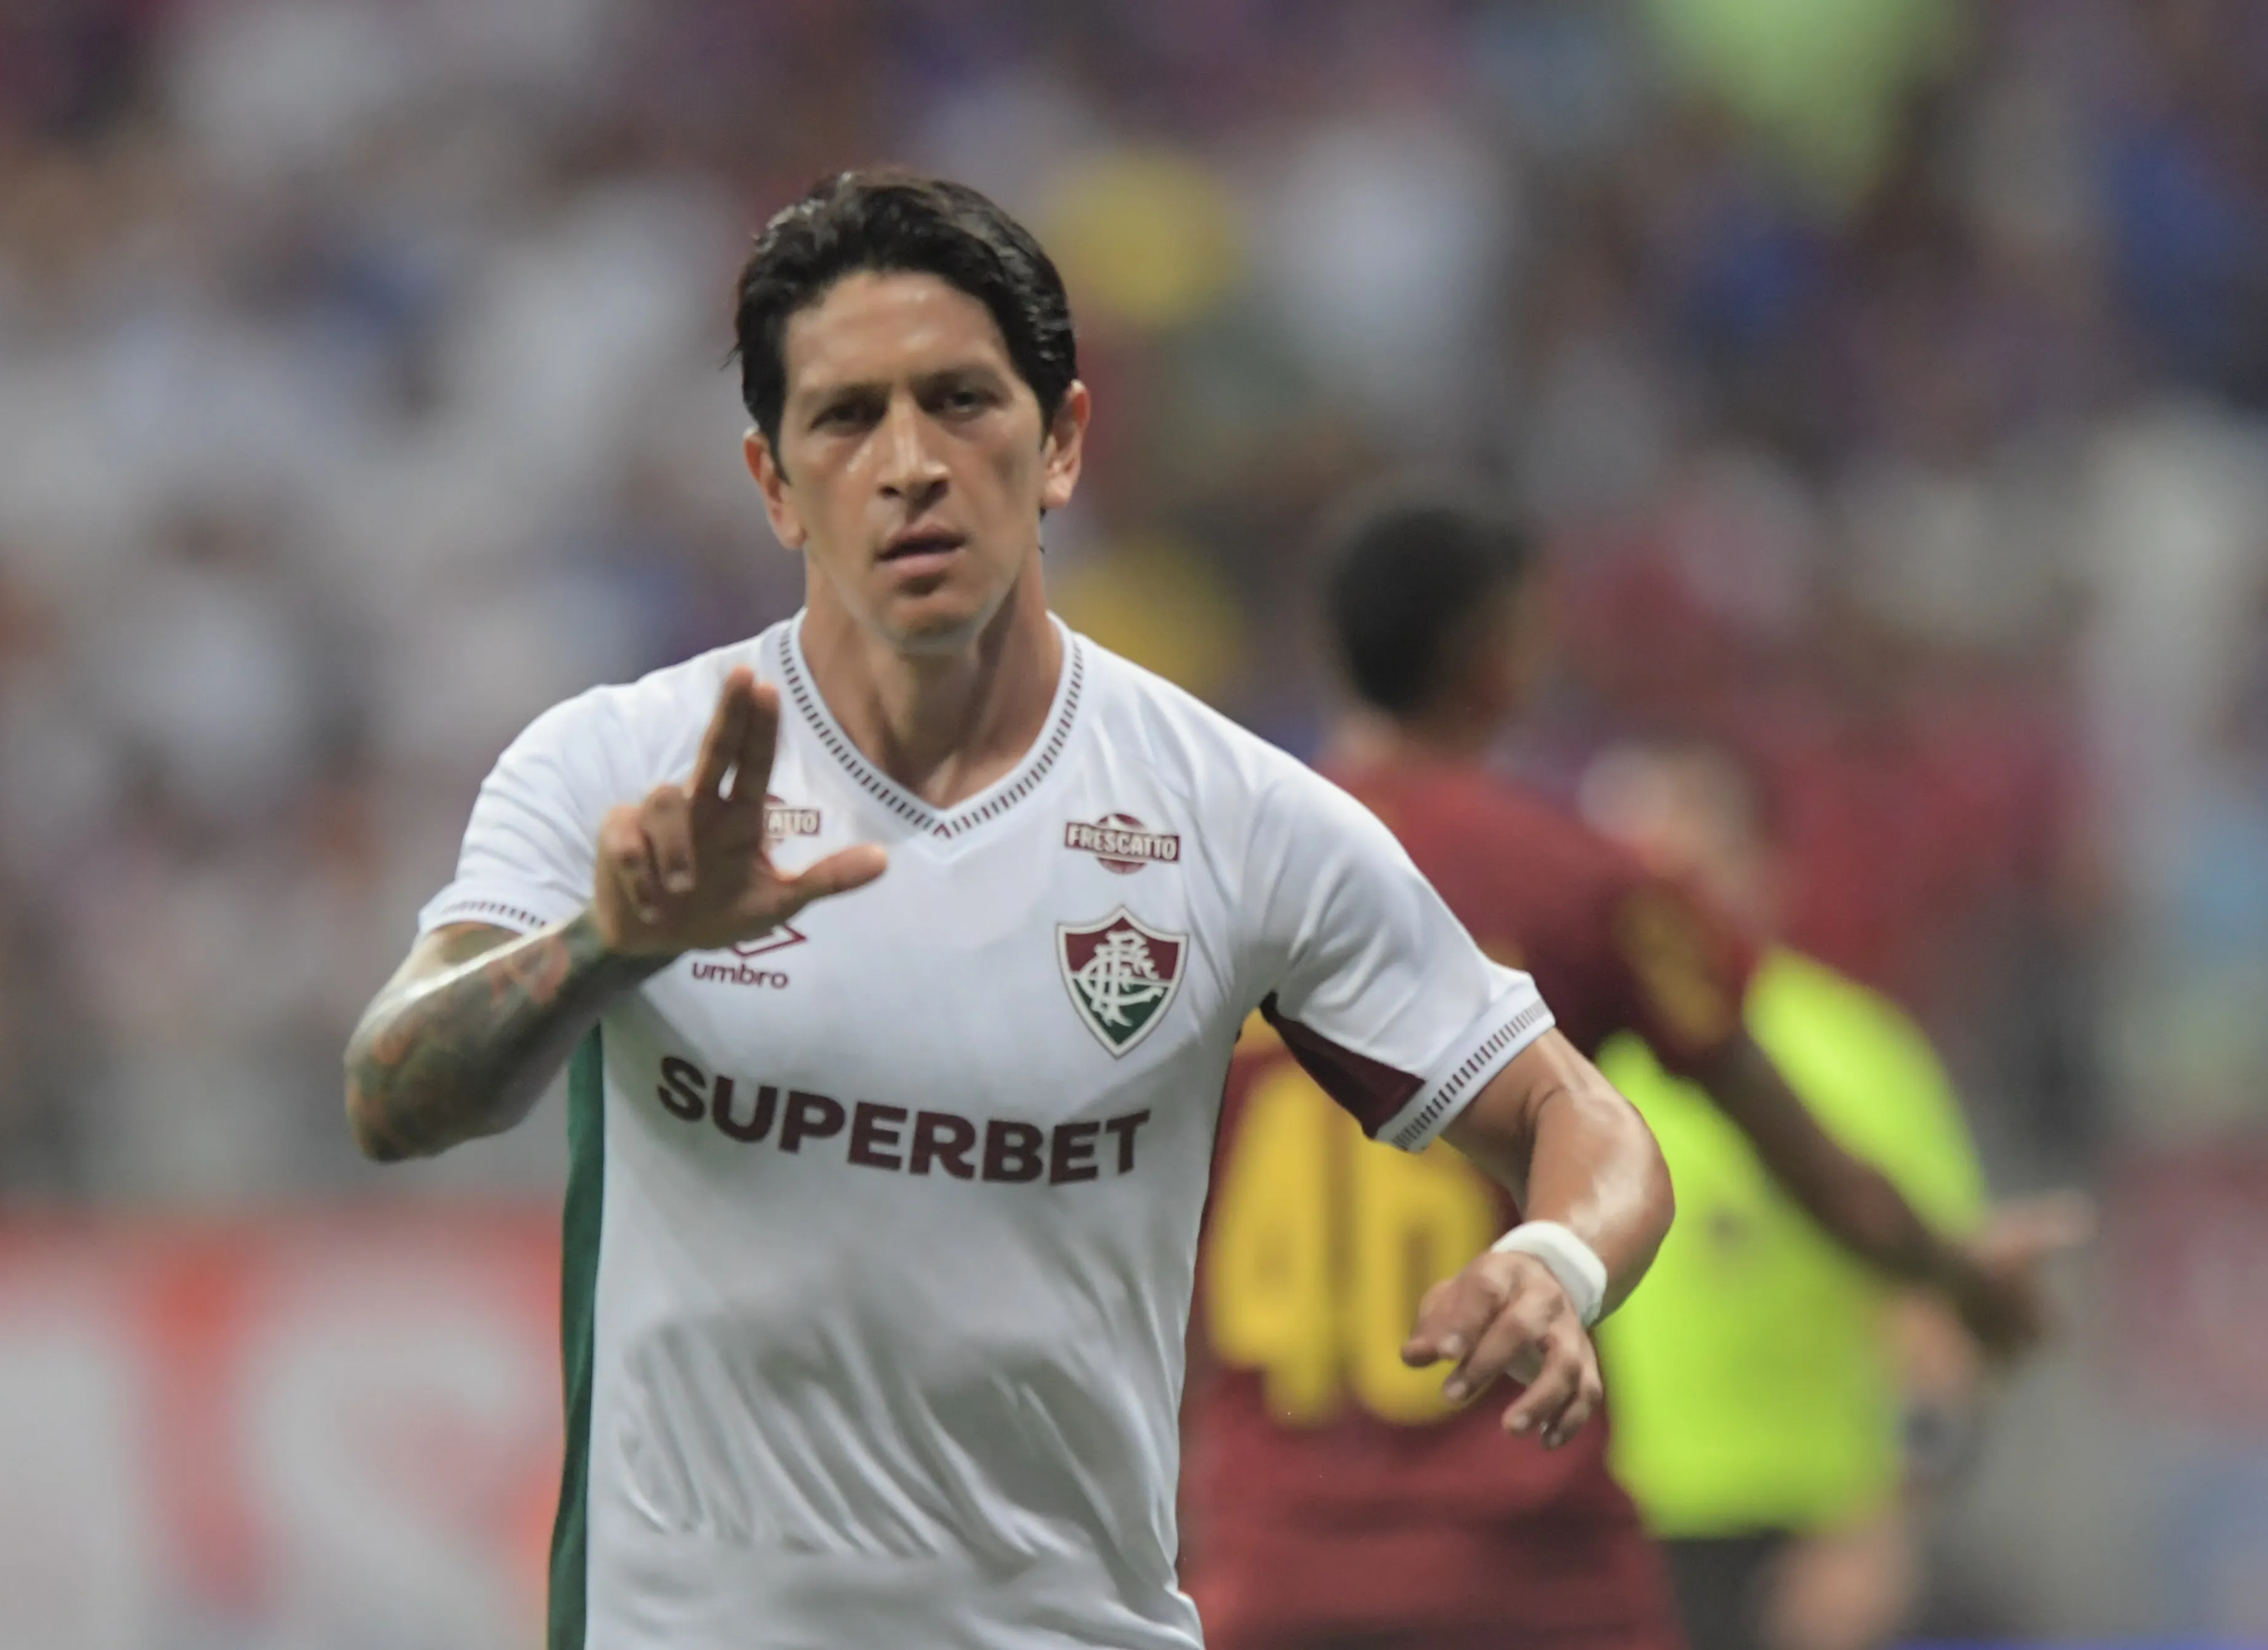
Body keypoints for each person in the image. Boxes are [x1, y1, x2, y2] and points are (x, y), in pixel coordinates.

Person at [341, 173, 1676, 1650]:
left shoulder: (1228, 816)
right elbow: (394, 1089)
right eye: (846, 418)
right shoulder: (615, 768)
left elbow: (1586, 1123)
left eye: (961, 401)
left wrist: (1554, 1260)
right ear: (773, 483)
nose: (909, 463)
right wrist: (607, 944)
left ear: (1061, 444)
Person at [1184, 494, 2057, 1650]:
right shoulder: (1576, 883)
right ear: (1502, 658)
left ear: (1332, 650)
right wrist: (1962, 1278)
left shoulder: (1204, 885)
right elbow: (1820, 1173)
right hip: (1523, 1563)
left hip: (1268, 1559)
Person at [1583, 740, 2083, 1650]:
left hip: (1793, 1538)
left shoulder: (1853, 1060)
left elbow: (1932, 1326)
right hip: (1597, 1540)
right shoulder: (1569, 1060)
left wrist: (1880, 1531)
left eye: (1685, 872)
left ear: (1762, 875)